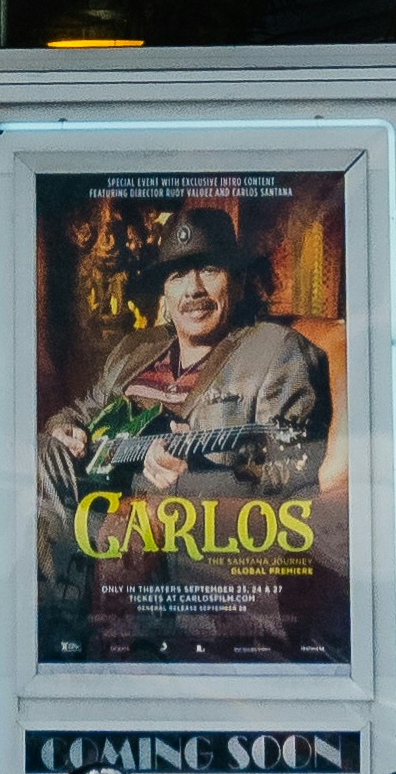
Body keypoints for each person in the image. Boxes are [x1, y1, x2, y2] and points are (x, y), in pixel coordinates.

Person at [36, 202, 332, 643]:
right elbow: (81, 410)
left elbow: (292, 468)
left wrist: (191, 473)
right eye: (177, 275)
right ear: (165, 292)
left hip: (172, 534)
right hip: (88, 509)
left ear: (238, 280)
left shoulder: (276, 350)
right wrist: (64, 426)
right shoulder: (134, 350)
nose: (193, 289)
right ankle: (52, 618)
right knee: (40, 448)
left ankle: (63, 620)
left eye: (209, 269)